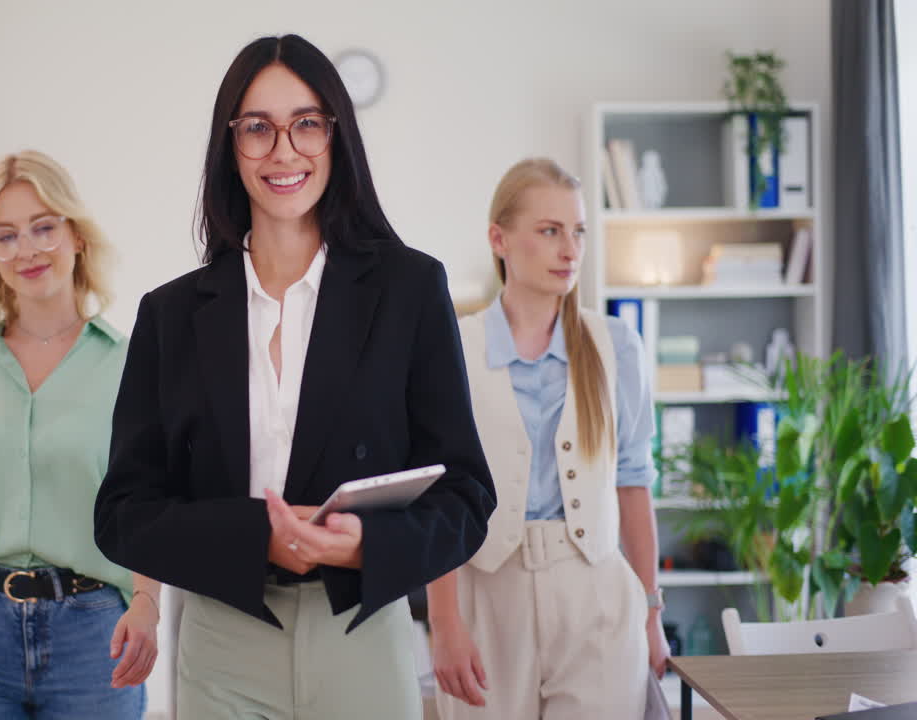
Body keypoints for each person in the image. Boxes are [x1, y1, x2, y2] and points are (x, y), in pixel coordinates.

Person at [93, 34, 496, 720]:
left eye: (306, 123)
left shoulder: (410, 289)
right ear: (231, 146)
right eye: (258, 128)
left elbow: (465, 495)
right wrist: (260, 537)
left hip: (361, 629)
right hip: (224, 638)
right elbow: (124, 514)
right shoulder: (170, 314)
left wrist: (367, 542)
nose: (284, 151)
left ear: (337, 136)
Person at [0, 150, 159, 719]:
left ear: (75, 236)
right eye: (7, 235)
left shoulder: (129, 365)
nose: (28, 249)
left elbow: (147, 504)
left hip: (94, 635)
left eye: (44, 227)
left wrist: (147, 603)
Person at [428, 157, 671, 720]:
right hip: (487, 594)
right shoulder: (452, 347)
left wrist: (651, 613)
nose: (570, 250)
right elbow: (436, 500)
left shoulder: (616, 346)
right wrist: (444, 625)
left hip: (597, 597)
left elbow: (633, 486)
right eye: (550, 231)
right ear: (499, 239)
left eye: (578, 232)